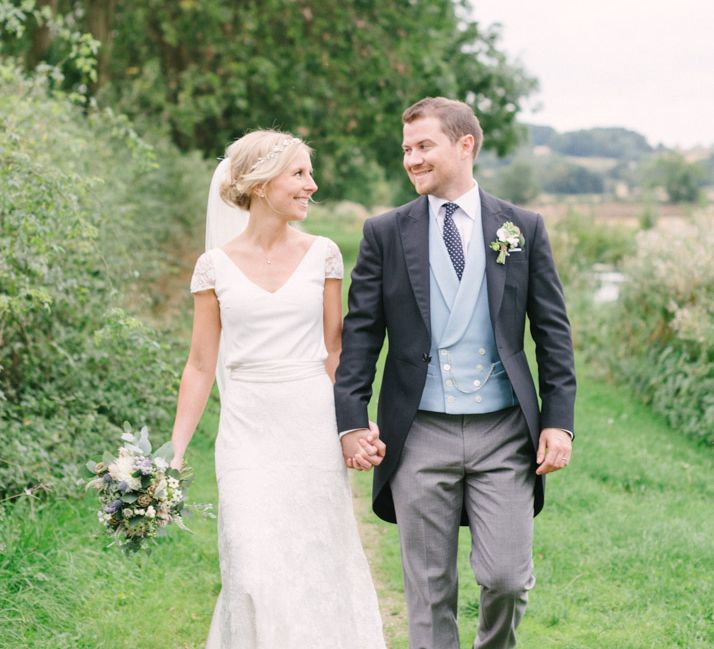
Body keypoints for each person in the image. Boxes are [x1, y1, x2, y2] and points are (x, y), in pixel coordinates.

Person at [335, 97, 576, 649]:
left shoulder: (523, 228)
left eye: (424, 146)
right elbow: (363, 333)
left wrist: (559, 423)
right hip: (418, 431)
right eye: (406, 150)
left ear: (465, 145)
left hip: (503, 433)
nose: (412, 160)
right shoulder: (384, 233)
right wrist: (351, 419)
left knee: (507, 579)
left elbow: (553, 335)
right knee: (428, 589)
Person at [169, 130, 386, 648]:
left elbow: (336, 354)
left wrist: (355, 423)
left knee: (316, 562)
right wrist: (173, 454)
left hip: (310, 424)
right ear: (262, 184)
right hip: (247, 430)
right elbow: (201, 366)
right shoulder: (214, 267)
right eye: (300, 174)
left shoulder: (325, 255)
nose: (312, 185)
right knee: (250, 569)